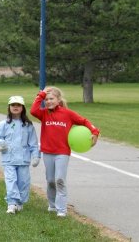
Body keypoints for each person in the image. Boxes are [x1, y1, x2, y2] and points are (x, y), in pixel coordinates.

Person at [30, 86, 99, 217]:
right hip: (48, 152)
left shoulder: (68, 113)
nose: (49, 101)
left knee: (60, 179)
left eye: (51, 98)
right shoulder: (44, 113)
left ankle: (61, 209)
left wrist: (95, 132)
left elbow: (84, 121)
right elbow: (33, 110)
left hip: (62, 152)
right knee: (50, 180)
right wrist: (41, 95)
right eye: (47, 99)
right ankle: (52, 205)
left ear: (58, 99)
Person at [0, 96, 40, 214]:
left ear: (22, 108)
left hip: (23, 159)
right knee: (11, 180)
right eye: (13, 105)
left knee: (23, 182)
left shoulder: (28, 125)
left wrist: (36, 156)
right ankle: (11, 203)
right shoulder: (3, 124)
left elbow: (33, 143)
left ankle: (20, 202)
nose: (15, 107)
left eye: (18, 105)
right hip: (8, 158)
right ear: (9, 107)